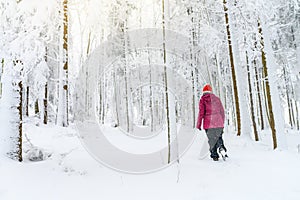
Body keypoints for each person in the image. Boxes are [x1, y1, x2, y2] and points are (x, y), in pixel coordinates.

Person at [196, 84, 228, 161]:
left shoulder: (203, 100)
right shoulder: (217, 99)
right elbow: (222, 111)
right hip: (219, 122)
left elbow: (201, 113)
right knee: (219, 137)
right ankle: (221, 147)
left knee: (211, 139)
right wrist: (222, 121)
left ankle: (214, 156)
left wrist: (199, 124)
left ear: (203, 92)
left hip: (208, 124)